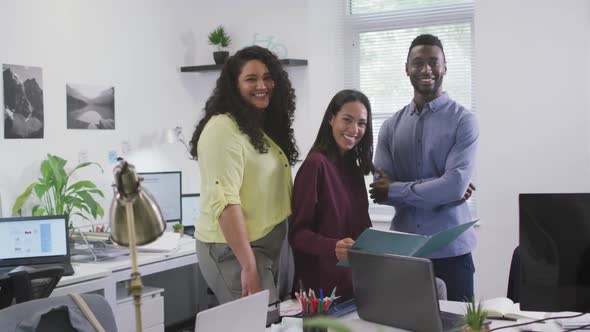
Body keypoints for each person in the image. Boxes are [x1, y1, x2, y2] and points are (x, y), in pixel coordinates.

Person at [369, 34, 479, 301]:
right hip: (405, 254)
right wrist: (439, 187)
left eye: (434, 62)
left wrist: (404, 190)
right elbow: (380, 191)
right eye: (418, 62)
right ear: (407, 68)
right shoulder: (390, 126)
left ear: (445, 67)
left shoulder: (464, 121)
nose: (426, 69)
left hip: (452, 255)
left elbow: (454, 186)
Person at [189, 45, 299, 305]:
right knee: (258, 322)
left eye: (267, 77)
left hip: (266, 246)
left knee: (271, 321)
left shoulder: (255, 125)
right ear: (233, 86)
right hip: (236, 250)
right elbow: (225, 201)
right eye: (251, 79)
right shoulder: (222, 129)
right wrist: (248, 265)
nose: (262, 85)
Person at [289, 89, 373, 300]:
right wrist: (331, 247)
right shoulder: (315, 165)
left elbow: (361, 228)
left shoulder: (353, 168)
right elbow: (297, 235)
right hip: (321, 289)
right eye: (347, 120)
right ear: (331, 119)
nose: (354, 129)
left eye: (361, 123)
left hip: (354, 282)